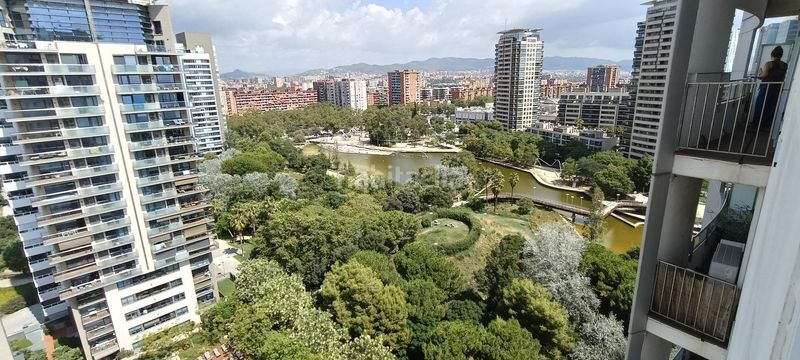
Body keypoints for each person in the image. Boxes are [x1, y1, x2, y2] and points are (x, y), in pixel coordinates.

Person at [751, 46, 788, 130]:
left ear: (772, 54)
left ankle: (756, 125)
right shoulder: (785, 65)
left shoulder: (769, 64)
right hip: (777, 89)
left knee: (760, 105)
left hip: (766, 88)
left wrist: (759, 73)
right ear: (781, 55)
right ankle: (766, 125)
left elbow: (764, 76)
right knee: (771, 107)